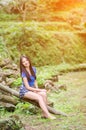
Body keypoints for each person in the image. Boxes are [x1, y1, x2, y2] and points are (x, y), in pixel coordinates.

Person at [19, 55, 56, 119]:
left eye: (26, 60)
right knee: (39, 97)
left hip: (32, 89)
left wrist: (36, 89)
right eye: (23, 62)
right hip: (25, 91)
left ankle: (44, 114)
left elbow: (35, 80)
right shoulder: (23, 73)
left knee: (44, 94)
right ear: (22, 64)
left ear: (29, 60)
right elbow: (27, 87)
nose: (26, 62)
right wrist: (40, 90)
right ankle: (48, 114)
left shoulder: (33, 69)